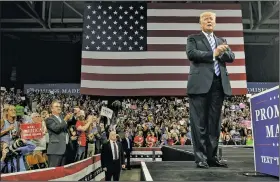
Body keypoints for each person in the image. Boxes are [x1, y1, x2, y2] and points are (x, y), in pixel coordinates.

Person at [186, 11, 235, 169]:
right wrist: (214, 53)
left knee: (214, 124)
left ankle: (212, 157)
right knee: (199, 124)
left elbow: (231, 56)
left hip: (218, 85)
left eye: (211, 19)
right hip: (199, 85)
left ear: (215, 23)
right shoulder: (193, 38)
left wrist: (221, 53)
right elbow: (192, 54)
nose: (209, 21)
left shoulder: (221, 40)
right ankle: (200, 158)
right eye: (205, 19)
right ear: (200, 23)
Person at [45, 100, 72, 167]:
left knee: (61, 172)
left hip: (64, 149)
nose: (59, 108)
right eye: (56, 106)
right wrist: (65, 120)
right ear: (52, 109)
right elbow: (56, 129)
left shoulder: (62, 118)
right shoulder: (49, 119)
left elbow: (71, 123)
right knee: (53, 173)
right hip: (55, 150)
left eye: (60, 106)